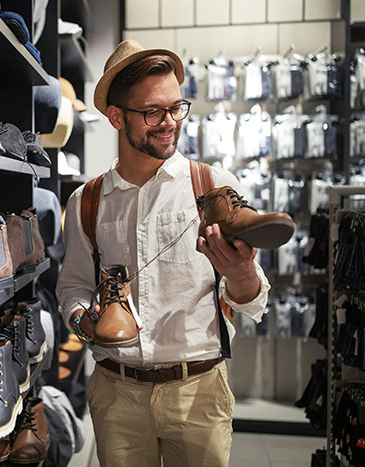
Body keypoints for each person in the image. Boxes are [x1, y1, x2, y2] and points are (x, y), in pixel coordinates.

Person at [56, 40, 271, 467]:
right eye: (153, 111)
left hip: (198, 392)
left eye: (177, 108)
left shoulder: (212, 185)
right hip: (117, 394)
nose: (169, 122)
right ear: (117, 116)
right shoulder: (88, 200)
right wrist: (86, 321)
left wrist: (243, 273)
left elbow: (253, 300)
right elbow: (73, 285)